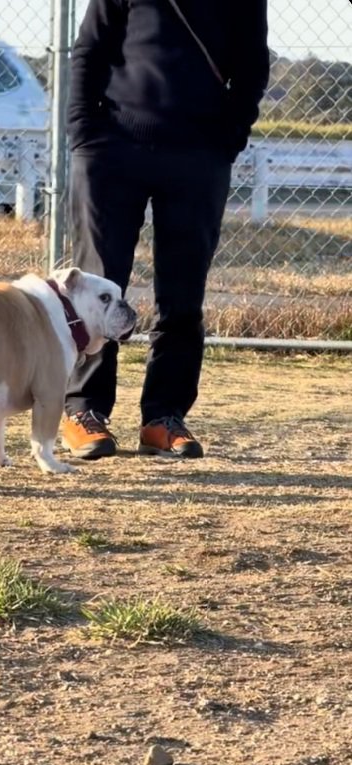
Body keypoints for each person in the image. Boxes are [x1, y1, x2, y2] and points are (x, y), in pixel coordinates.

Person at [61, 0, 269, 460]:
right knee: (99, 282)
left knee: (183, 292)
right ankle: (84, 408)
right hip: (111, 148)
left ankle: (163, 417)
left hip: (199, 156)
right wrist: (83, 131)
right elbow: (90, 49)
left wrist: (228, 138)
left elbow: (253, 63)